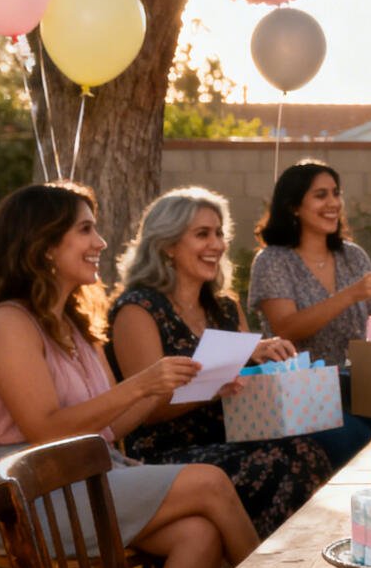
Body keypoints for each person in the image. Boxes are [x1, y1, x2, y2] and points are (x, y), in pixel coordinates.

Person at [0, 182, 258, 568]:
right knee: (209, 482)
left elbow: (112, 426)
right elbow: (44, 430)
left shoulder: (73, 324)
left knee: (199, 532)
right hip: (29, 493)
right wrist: (140, 385)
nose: (101, 242)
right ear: (44, 244)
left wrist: (182, 385)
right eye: (86, 230)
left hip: (92, 472)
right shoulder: (6, 325)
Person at [109, 188, 332, 537]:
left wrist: (267, 364)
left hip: (234, 434)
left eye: (218, 234)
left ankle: (284, 562)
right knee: (286, 461)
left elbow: (241, 383)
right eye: (202, 235)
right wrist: (219, 379)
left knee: (310, 448)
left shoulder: (225, 307)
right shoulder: (138, 309)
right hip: (162, 454)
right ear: (167, 245)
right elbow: (147, 407)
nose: (217, 244)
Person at [248, 160, 371, 468]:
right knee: (365, 448)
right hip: (303, 398)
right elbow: (286, 328)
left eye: (336, 193)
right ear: (294, 206)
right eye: (320, 195)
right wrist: (351, 293)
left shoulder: (352, 255)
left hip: (360, 388)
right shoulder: (272, 260)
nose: (333, 203)